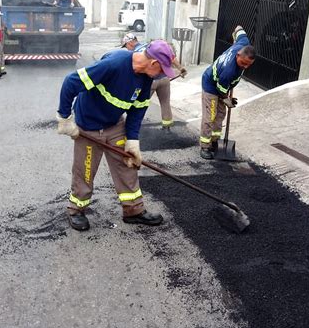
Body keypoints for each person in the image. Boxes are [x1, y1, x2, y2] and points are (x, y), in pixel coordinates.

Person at [56, 40, 177, 231]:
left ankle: (133, 211)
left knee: (127, 164)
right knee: (85, 169)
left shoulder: (146, 78)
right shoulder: (114, 64)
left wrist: (133, 140)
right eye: (162, 69)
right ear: (153, 63)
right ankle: (76, 210)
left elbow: (138, 110)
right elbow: (71, 82)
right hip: (88, 125)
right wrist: (64, 118)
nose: (163, 75)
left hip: (114, 124)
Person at [199, 26, 255, 160]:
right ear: (237, 55)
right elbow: (221, 90)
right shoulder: (229, 70)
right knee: (211, 114)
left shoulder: (243, 43)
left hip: (222, 85)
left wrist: (236, 33)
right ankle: (205, 146)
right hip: (211, 85)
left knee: (221, 114)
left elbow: (239, 28)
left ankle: (215, 141)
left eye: (248, 65)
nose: (245, 67)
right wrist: (226, 99)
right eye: (243, 63)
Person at [121, 35, 188, 129]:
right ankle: (167, 126)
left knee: (140, 104)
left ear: (130, 43)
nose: (127, 48)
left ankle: (134, 126)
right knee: (165, 103)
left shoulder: (137, 54)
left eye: (126, 46)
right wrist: (180, 68)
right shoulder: (151, 47)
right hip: (164, 79)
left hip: (150, 81)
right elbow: (171, 57)